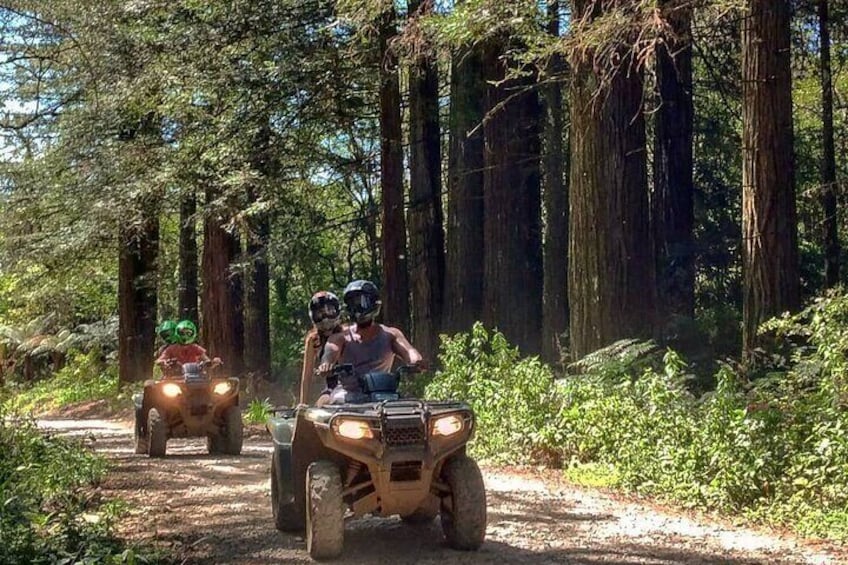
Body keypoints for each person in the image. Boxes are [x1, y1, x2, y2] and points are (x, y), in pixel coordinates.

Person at [315, 280, 424, 406]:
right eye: (352, 303)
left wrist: (417, 361)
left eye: (361, 301)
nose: (357, 307)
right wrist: (326, 365)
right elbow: (330, 352)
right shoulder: (339, 338)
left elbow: (409, 350)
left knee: (413, 409)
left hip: (384, 396)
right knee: (323, 408)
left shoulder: (390, 334)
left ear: (373, 303)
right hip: (347, 396)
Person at [299, 291, 345, 404]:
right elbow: (307, 375)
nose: (325, 317)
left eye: (329, 310)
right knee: (323, 405)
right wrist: (302, 403)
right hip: (332, 388)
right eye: (320, 313)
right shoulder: (313, 339)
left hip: (353, 387)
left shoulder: (347, 334)